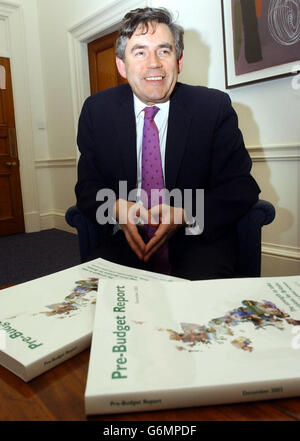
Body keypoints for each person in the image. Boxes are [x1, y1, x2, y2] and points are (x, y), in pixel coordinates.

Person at [75, 7, 260, 280]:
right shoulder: (97, 111)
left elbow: (242, 187)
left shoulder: (213, 108)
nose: (154, 64)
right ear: (122, 66)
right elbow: (87, 189)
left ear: (179, 61)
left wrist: (186, 213)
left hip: (198, 245)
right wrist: (116, 208)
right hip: (124, 244)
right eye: (140, 52)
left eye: (164, 51)